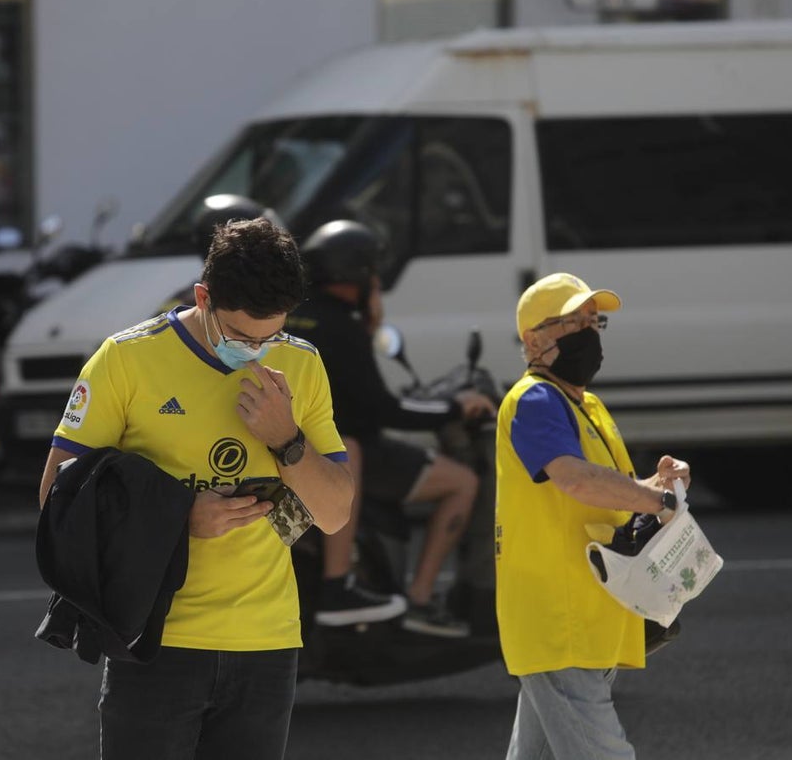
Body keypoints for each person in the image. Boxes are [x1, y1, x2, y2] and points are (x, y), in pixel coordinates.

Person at [37, 217, 354, 760]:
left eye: (270, 335)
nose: (256, 351)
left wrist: (288, 440)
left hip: (267, 643)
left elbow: (334, 513)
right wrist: (179, 518)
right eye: (239, 336)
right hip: (156, 642)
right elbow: (57, 502)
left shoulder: (301, 363)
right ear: (203, 296)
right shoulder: (125, 359)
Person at [494, 272, 692, 759]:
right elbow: (573, 478)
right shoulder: (534, 400)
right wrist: (654, 500)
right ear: (534, 340)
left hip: (582, 612)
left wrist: (657, 487)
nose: (590, 333)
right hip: (560, 617)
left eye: (593, 321)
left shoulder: (585, 404)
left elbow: (603, 493)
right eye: (574, 323)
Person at [288, 220, 496, 638]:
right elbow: (383, 409)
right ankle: (415, 599)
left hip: (295, 447)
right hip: (348, 450)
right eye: (372, 271)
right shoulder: (341, 327)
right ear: (357, 275)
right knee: (463, 482)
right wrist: (451, 407)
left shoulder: (297, 317)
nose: (377, 280)